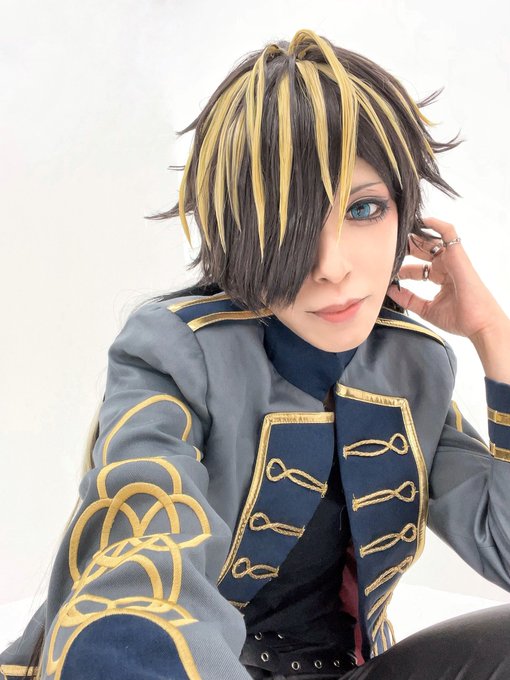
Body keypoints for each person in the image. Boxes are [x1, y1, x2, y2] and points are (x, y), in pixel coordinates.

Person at [1, 28, 510, 680]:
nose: (332, 266)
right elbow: (139, 560)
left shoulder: (410, 365)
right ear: (238, 232)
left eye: (363, 209)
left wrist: (493, 334)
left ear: (404, 214)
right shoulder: (175, 352)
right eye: (291, 223)